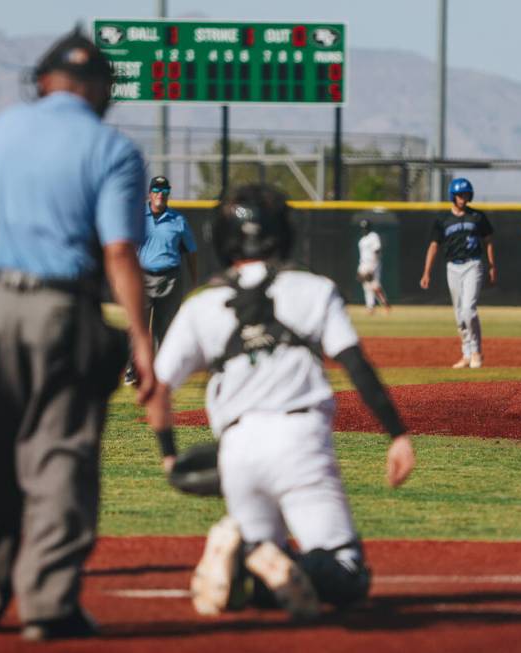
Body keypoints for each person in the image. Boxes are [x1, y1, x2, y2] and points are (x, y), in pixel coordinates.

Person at [0, 30, 154, 641]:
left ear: (43, 82)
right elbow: (118, 252)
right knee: (60, 456)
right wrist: (142, 337)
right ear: (100, 90)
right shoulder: (113, 148)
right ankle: (47, 604)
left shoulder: (0, 129)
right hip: (62, 310)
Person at [147, 184, 415, 620]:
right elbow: (355, 364)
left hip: (236, 450)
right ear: (282, 233)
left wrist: (168, 455)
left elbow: (156, 389)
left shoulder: (202, 306)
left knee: (265, 563)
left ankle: (244, 562)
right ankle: (257, 564)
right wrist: (397, 434)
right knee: (347, 574)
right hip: (299, 440)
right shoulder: (314, 289)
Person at [124, 174, 198, 386]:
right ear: (150, 193)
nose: (160, 195)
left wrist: (194, 279)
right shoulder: (138, 217)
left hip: (170, 279)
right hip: (142, 277)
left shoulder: (178, 221)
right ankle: (134, 367)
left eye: (165, 191)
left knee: (164, 329)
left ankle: (159, 373)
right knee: (137, 326)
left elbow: (191, 252)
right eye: (157, 190)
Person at [419, 177, 497, 369]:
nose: (463, 198)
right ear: (453, 196)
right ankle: (466, 354)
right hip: (452, 267)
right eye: (460, 195)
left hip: (473, 264)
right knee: (459, 315)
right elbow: (433, 246)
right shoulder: (443, 219)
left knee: (468, 310)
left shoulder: (477, 217)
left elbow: (488, 241)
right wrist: (426, 272)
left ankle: (477, 352)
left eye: (466, 194)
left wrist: (492, 265)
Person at [356, 218, 390, 314]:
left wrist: (372, 268)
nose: (364, 229)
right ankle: (370, 307)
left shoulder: (373, 236)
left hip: (373, 263)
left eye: (366, 227)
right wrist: (360, 269)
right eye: (363, 228)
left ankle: (385, 304)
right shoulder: (361, 240)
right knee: (366, 287)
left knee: (375, 287)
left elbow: (377, 251)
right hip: (363, 264)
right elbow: (362, 256)